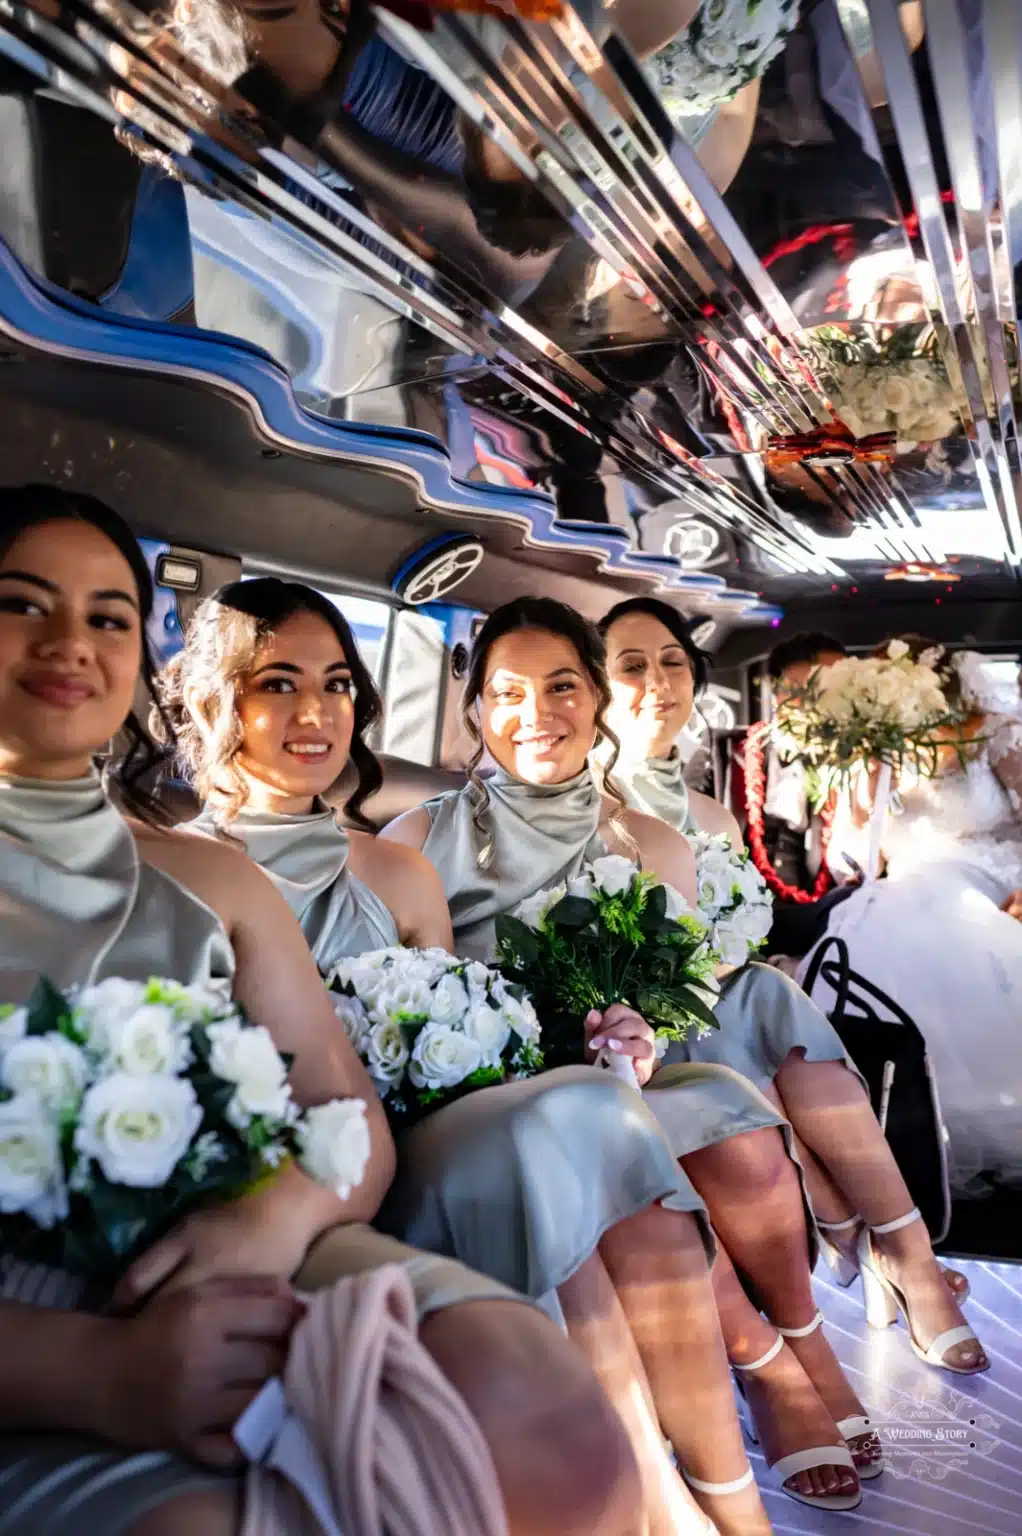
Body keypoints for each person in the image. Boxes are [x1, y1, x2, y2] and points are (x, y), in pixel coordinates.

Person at [0, 485, 646, 1536]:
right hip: (40, 1319)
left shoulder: (214, 883)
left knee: (553, 1432)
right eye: (25, 603)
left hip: (246, 1241)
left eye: (107, 615)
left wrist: (279, 1215)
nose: (71, 641)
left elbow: (343, 1121)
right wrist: (99, 1370)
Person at [157, 577, 829, 1531]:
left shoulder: (395, 871)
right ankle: (669, 1481)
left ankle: (716, 1489)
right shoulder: (170, 873)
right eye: (277, 685)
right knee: (565, 1142)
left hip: (430, 1142)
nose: (315, 713)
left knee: (580, 1124)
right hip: (307, 1175)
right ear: (213, 701)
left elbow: (469, 1033)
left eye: (339, 685)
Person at [382, 594, 905, 1510]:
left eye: (560, 687)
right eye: (506, 693)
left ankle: (800, 1335)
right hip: (491, 1100)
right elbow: (416, 1009)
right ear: (473, 711)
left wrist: (639, 1037)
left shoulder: (655, 842)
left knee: (735, 1128)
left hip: (617, 1082)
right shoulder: (415, 841)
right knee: (613, 1140)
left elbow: (666, 1008)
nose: (535, 715)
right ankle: (770, 1364)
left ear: (595, 700)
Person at [597, 596, 986, 1378]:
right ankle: (893, 1253)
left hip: (729, 1006)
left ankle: (895, 1250)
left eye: (673, 662)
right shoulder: (592, 812)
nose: (657, 683)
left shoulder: (711, 812)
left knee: (771, 997)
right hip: (641, 1032)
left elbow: (745, 931)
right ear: (596, 688)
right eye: (630, 666)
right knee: (768, 1010)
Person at [802, 637, 1022, 1203]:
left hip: (986, 873)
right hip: (905, 881)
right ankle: (890, 1114)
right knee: (869, 913)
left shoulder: (993, 731)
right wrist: (863, 780)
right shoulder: (877, 748)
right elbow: (855, 858)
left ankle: (965, 1106)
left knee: (914, 912)